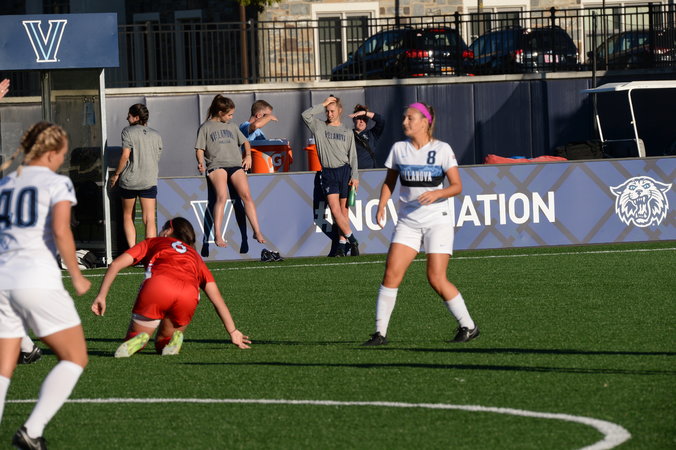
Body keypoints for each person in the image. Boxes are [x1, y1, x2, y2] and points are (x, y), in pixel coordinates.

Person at [0, 121, 92, 449]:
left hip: (2, 277)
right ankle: (32, 430)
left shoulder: (6, 182)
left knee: (3, 368)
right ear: (51, 153)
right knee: (75, 357)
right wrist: (77, 275)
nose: (62, 160)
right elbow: (61, 230)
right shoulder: (56, 183)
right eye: (62, 154)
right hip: (35, 277)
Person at [362, 102, 479, 346]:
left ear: (425, 122)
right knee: (391, 274)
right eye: (404, 117)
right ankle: (380, 333)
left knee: (435, 277)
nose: (404, 122)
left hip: (438, 221)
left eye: (410, 118)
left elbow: (457, 186)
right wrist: (382, 204)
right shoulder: (399, 149)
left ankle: (468, 326)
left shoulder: (442, 149)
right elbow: (390, 181)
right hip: (408, 221)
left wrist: (438, 193)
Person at [91, 217, 251, 357]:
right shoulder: (195, 256)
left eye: (163, 228)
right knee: (163, 343)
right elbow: (217, 299)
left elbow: (116, 264)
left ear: (169, 230)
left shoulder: (153, 241)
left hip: (159, 286)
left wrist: (101, 295)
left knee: (133, 338)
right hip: (189, 294)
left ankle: (138, 340)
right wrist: (233, 331)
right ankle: (171, 341)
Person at [195, 94, 265, 248]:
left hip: (235, 164)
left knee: (246, 195)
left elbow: (245, 142)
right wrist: (200, 162)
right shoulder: (206, 127)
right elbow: (199, 148)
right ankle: (218, 235)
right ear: (220, 113)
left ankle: (257, 231)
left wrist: (248, 156)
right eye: (229, 115)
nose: (231, 117)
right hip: (216, 165)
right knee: (222, 197)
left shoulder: (232, 126)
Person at [301, 95, 360, 257]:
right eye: (327, 111)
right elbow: (305, 115)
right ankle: (353, 240)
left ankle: (342, 245)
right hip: (328, 172)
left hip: (344, 171)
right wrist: (324, 104)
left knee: (343, 212)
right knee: (335, 211)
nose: (329, 114)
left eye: (332, 111)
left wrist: (355, 176)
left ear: (340, 111)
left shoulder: (347, 132)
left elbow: (353, 156)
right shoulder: (319, 126)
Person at [110, 103, 163, 249]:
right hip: (149, 180)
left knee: (128, 216)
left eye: (129, 115)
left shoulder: (127, 131)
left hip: (130, 180)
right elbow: (157, 156)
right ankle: (150, 252)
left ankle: (133, 252)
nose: (126, 118)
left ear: (136, 117)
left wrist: (116, 174)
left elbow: (125, 156)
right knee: (149, 218)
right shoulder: (156, 135)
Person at [349, 104, 386, 169]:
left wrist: (365, 113)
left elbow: (381, 120)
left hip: (370, 172)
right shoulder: (348, 134)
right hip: (353, 172)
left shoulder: (372, 134)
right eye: (359, 118)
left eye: (364, 119)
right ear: (354, 120)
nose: (361, 121)